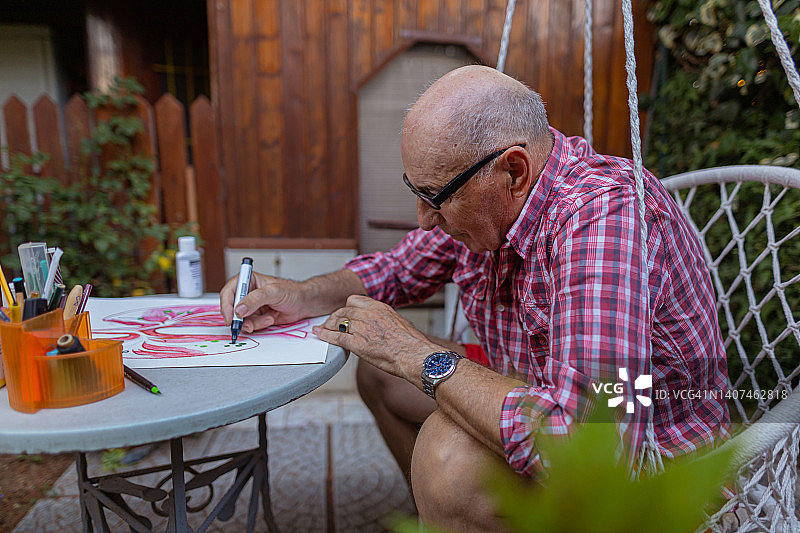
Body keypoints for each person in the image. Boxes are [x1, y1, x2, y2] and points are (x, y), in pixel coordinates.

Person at [220, 65, 729, 532]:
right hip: (543, 388)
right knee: (380, 374)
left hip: (648, 466)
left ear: (513, 172)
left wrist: (415, 353)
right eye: (414, 191)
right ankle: (446, 517)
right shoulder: (488, 195)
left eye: (434, 197)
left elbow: (591, 444)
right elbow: (395, 270)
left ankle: (452, 505)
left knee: (447, 460)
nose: (424, 219)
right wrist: (300, 294)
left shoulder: (602, 218)